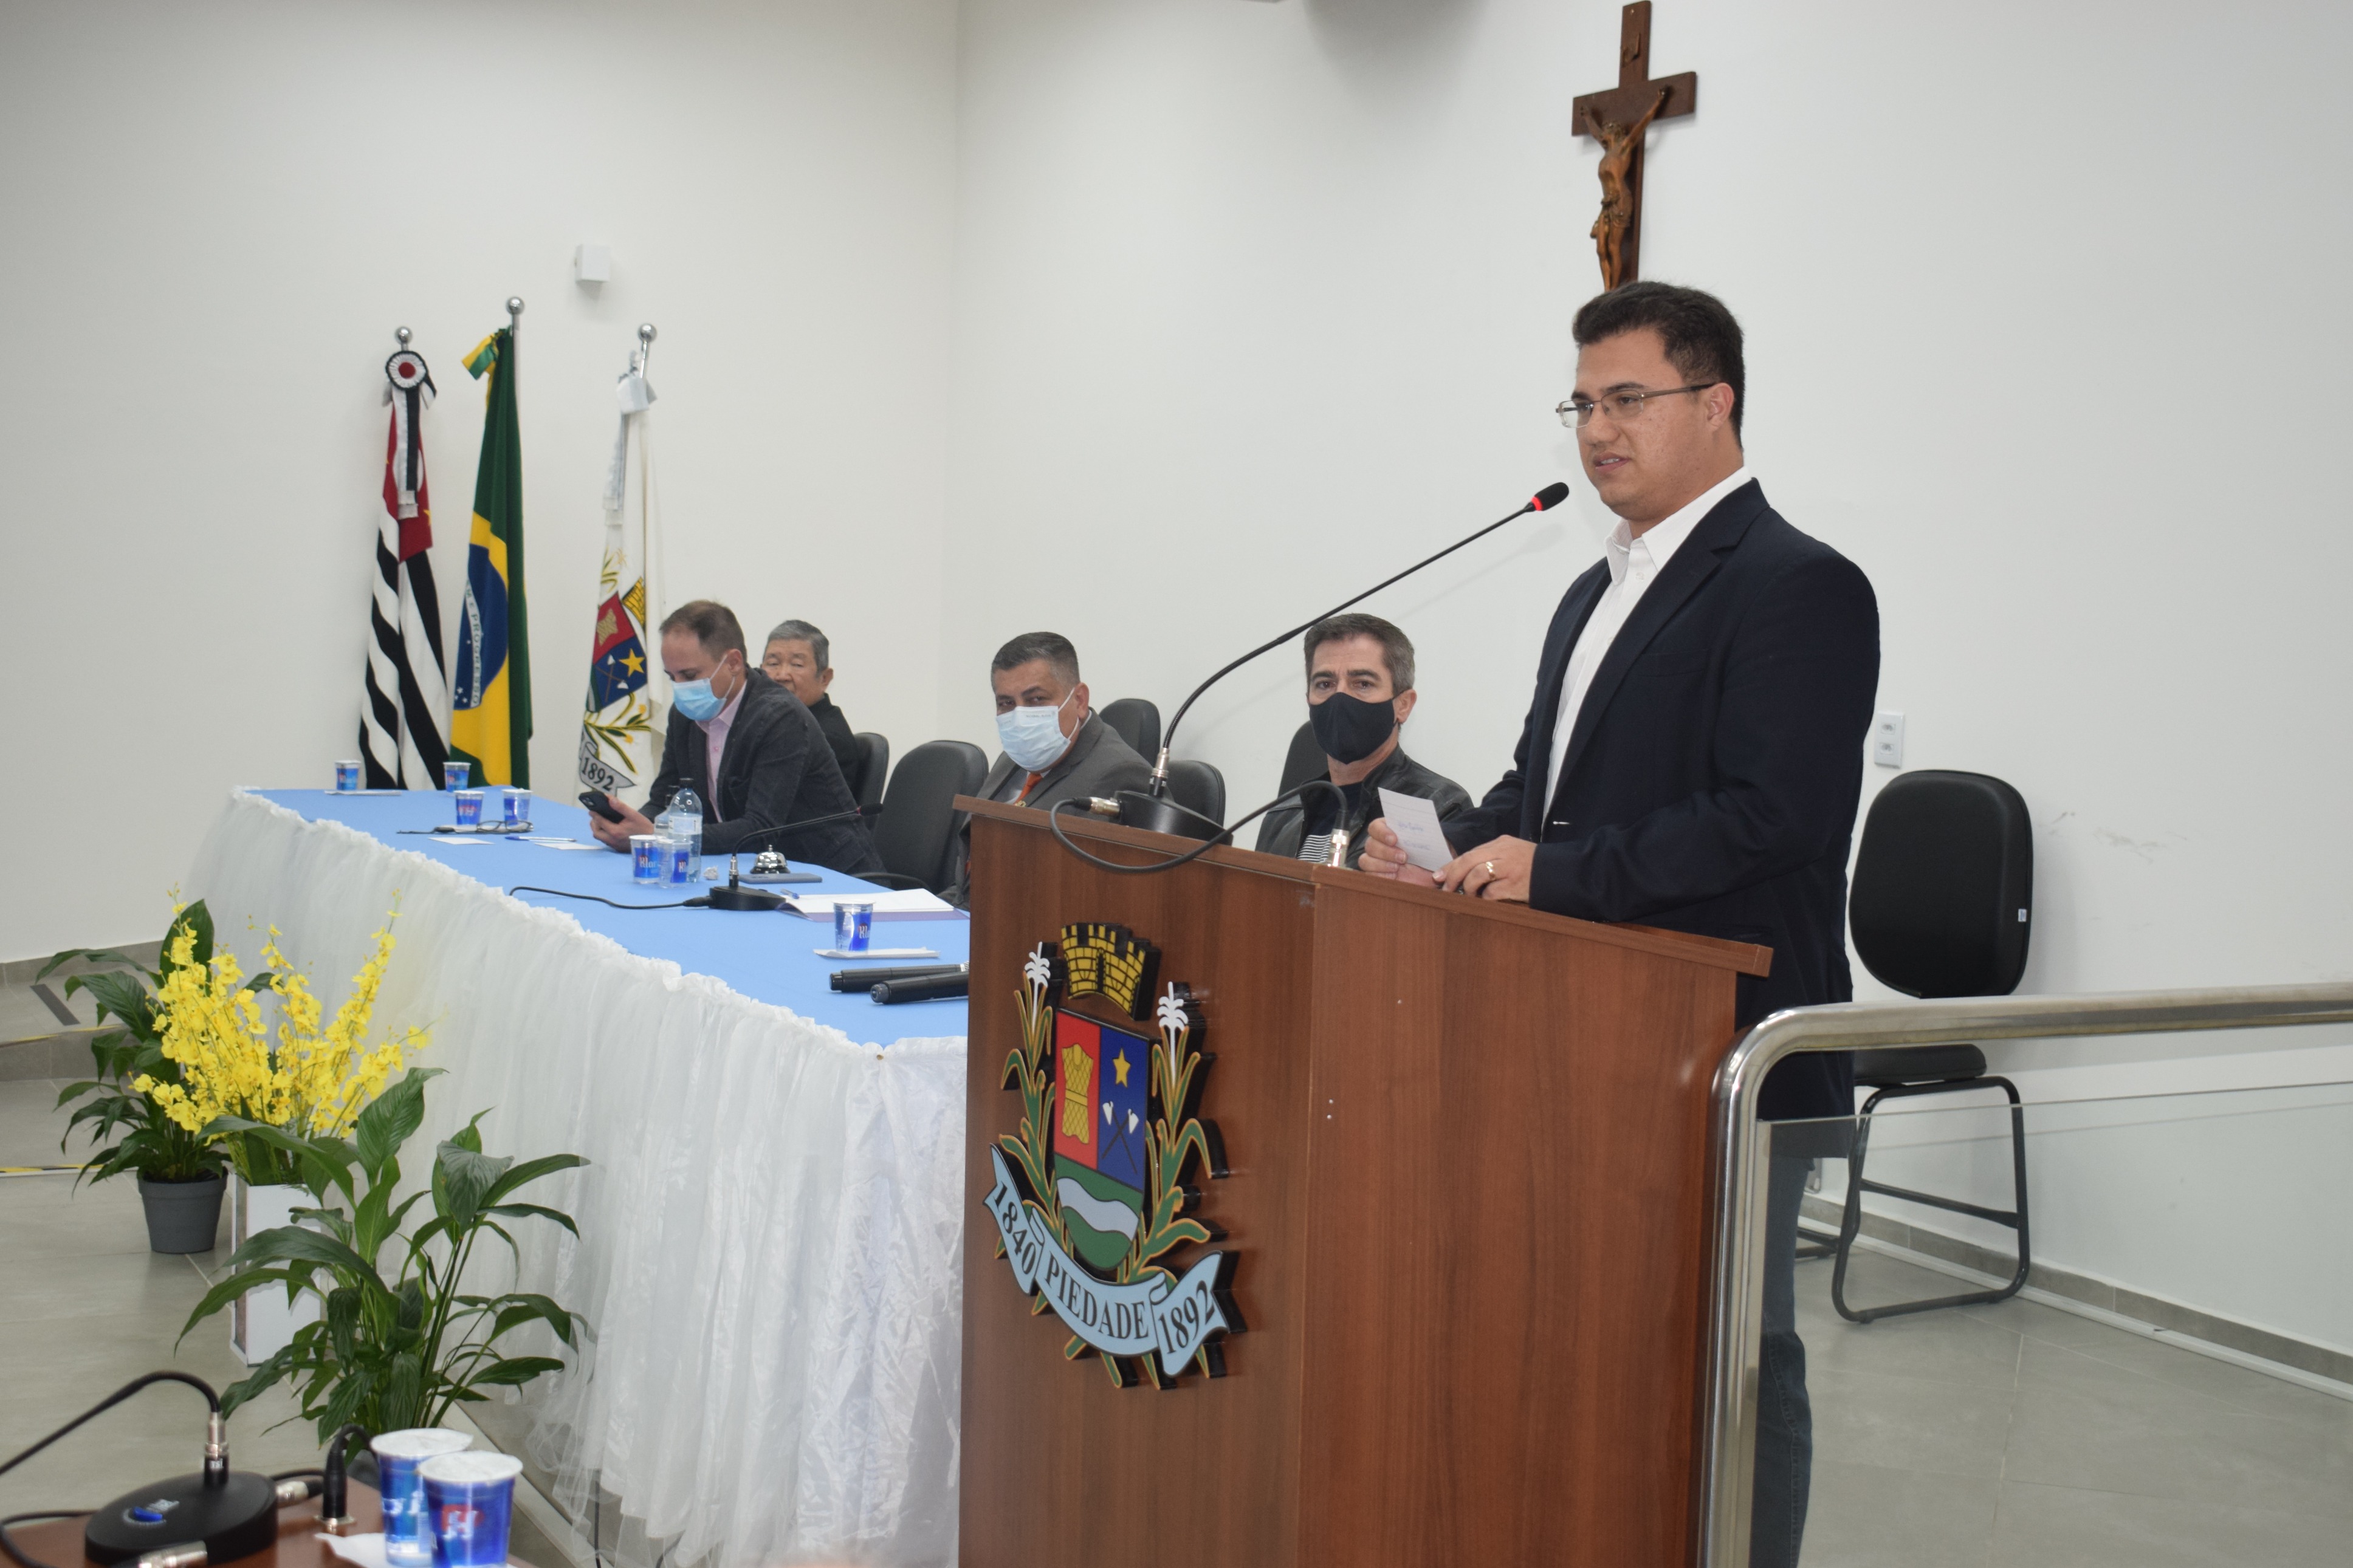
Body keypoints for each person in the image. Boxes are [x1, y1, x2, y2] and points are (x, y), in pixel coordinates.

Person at [1361, 282, 1878, 1568]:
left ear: (1717, 404)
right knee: (1588, 1331)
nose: (1596, 430)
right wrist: (1446, 851)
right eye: (1582, 404)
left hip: (1728, 1034)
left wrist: (1550, 873)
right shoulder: (1592, 592)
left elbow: (1774, 818)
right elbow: (1538, 791)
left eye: (1627, 399)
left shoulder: (1800, 585)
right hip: (1575, 1029)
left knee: (1735, 1347)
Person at [589, 599, 882, 875]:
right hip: (753, 872)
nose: (680, 688)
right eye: (671, 677)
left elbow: (760, 829)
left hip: (832, 877)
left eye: (689, 676)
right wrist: (629, 825)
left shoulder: (780, 718)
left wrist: (658, 836)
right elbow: (663, 799)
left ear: (733, 663)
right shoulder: (684, 715)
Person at [944, 631, 1152, 906]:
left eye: (1036, 699)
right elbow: (970, 881)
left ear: (1079, 700)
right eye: (1006, 703)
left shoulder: (1122, 774)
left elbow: (1099, 900)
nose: (1020, 717)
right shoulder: (1015, 756)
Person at [1254, 612, 1470, 869]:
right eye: (1325, 684)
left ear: (1403, 705)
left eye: (1363, 684)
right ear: (1308, 700)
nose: (1340, 698)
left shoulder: (1437, 807)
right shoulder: (1283, 815)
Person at [761, 618, 865, 795]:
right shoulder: (771, 725)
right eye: (773, 664)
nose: (782, 675)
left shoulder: (826, 738)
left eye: (797, 665)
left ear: (824, 678)